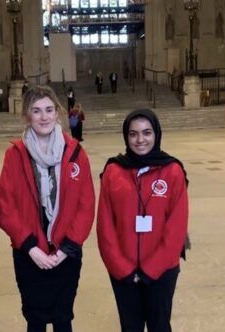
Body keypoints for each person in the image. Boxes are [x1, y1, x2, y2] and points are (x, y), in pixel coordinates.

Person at [0, 85, 95, 332]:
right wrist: (30, 247)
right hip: (30, 252)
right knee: (36, 319)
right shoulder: (14, 155)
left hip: (66, 251)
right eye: (37, 110)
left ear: (58, 113)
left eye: (49, 110)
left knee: (64, 318)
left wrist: (67, 248)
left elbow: (86, 205)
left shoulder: (75, 153)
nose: (44, 117)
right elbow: (6, 206)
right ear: (27, 116)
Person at [97, 109, 189, 332]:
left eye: (147, 133)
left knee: (159, 325)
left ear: (156, 134)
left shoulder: (173, 171)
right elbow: (105, 226)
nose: (140, 140)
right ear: (126, 137)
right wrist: (122, 268)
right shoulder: (113, 171)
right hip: (123, 272)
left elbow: (177, 227)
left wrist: (150, 270)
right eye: (133, 134)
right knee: (130, 327)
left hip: (162, 270)